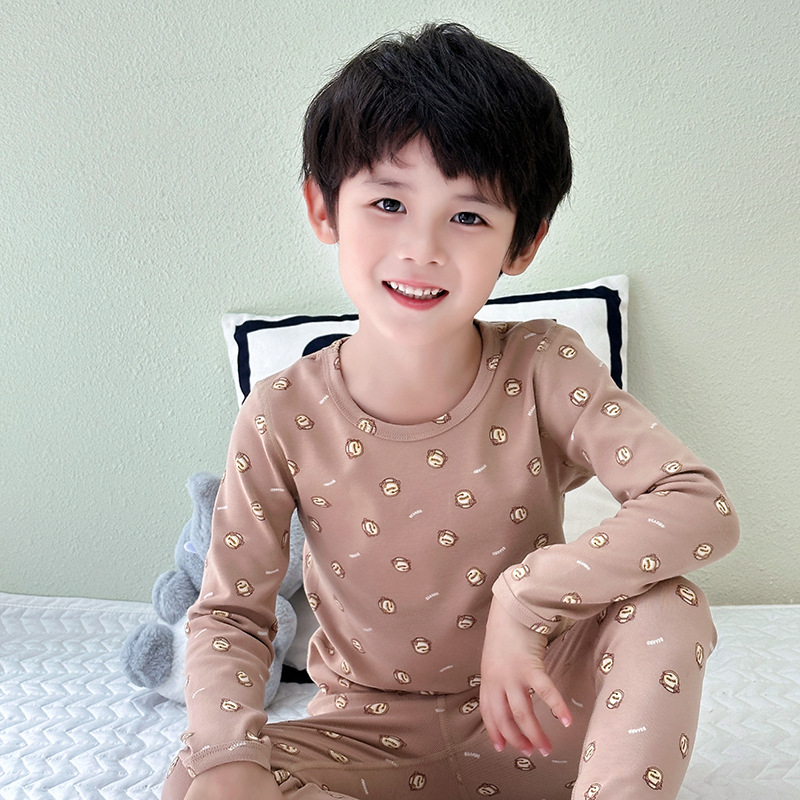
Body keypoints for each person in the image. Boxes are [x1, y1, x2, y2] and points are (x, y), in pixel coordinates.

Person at [162, 23, 739, 800]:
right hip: (360, 739)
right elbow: (231, 617)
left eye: (468, 217)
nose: (422, 248)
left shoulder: (544, 365)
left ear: (523, 243)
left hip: (537, 716)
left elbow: (698, 505)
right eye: (388, 202)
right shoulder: (280, 412)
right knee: (201, 775)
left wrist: (527, 599)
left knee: (670, 603)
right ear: (324, 209)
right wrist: (228, 758)